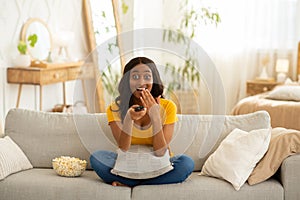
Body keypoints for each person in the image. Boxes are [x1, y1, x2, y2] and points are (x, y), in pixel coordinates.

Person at [90, 57, 194, 187]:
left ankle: (131, 183)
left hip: (158, 163)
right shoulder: (114, 109)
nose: (141, 82)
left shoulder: (168, 107)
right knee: (97, 158)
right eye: (135, 77)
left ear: (154, 80)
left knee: (186, 163)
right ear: (127, 81)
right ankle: (147, 183)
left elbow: (160, 152)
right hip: (129, 163)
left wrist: (155, 116)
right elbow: (123, 148)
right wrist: (128, 119)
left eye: (147, 76)